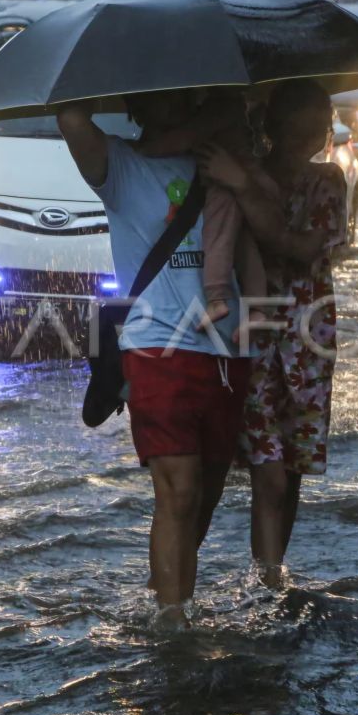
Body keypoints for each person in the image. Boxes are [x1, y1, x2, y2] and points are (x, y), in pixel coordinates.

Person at [57, 91, 251, 627]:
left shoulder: (230, 156)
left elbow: (271, 217)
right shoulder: (120, 165)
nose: (177, 104)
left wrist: (238, 175)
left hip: (229, 348)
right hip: (155, 346)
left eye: (186, 96)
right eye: (162, 96)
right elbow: (71, 116)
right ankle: (171, 620)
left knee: (207, 492)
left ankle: (166, 587)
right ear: (139, 104)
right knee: (179, 487)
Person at [193, 79, 347, 587]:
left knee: (294, 467)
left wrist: (241, 184)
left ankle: (271, 575)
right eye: (302, 126)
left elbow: (295, 245)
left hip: (309, 337)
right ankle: (262, 580)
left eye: (319, 126)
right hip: (254, 334)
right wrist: (240, 182)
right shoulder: (241, 170)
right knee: (270, 472)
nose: (312, 137)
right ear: (275, 126)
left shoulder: (329, 180)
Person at [139, 89, 271, 337]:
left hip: (226, 184)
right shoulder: (234, 107)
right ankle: (259, 310)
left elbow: (184, 138)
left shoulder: (220, 105)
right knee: (244, 246)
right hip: (251, 178)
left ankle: (216, 297)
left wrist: (143, 151)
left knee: (218, 236)